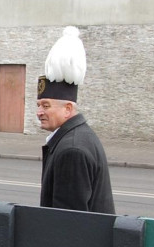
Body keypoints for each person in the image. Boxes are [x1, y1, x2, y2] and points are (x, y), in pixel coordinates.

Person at [36, 27, 115, 213]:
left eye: (46, 105)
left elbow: (69, 221)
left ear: (68, 109)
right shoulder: (78, 135)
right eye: (38, 105)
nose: (39, 112)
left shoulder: (71, 149)